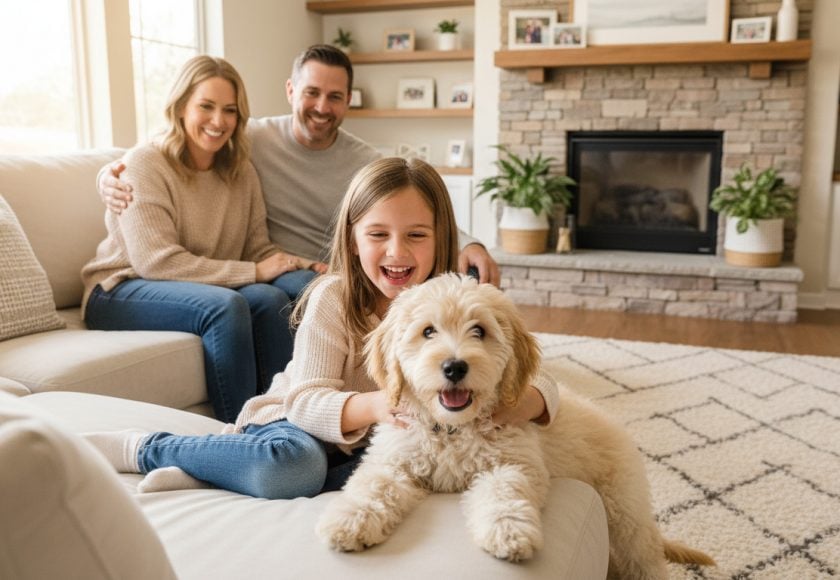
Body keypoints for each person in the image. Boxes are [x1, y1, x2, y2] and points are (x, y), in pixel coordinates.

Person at [84, 157, 558, 500]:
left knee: (394, 473)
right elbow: (305, 400)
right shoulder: (333, 297)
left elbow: (537, 371)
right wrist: (378, 404)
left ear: (441, 239)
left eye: (416, 235)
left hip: (365, 447)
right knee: (298, 468)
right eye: (378, 235)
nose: (397, 253)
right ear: (352, 242)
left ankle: (217, 470)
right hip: (299, 425)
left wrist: (527, 402)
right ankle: (151, 448)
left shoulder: (453, 299)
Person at [98, 45, 500, 286]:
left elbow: (418, 204)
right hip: (287, 269)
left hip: (344, 270)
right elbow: (174, 144)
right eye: (312, 93)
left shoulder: (365, 161)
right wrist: (109, 174)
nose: (322, 107)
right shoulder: (247, 138)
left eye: (335, 97)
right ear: (291, 91)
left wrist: (470, 244)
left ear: (348, 100)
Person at [81, 55, 317, 423]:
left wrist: (299, 263)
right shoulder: (144, 164)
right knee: (226, 306)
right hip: (120, 288)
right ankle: (238, 435)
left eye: (230, 110)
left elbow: (257, 249)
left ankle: (284, 423)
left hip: (194, 283)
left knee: (272, 299)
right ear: (180, 108)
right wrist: (253, 271)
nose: (218, 121)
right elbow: (156, 261)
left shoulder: (240, 172)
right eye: (206, 106)